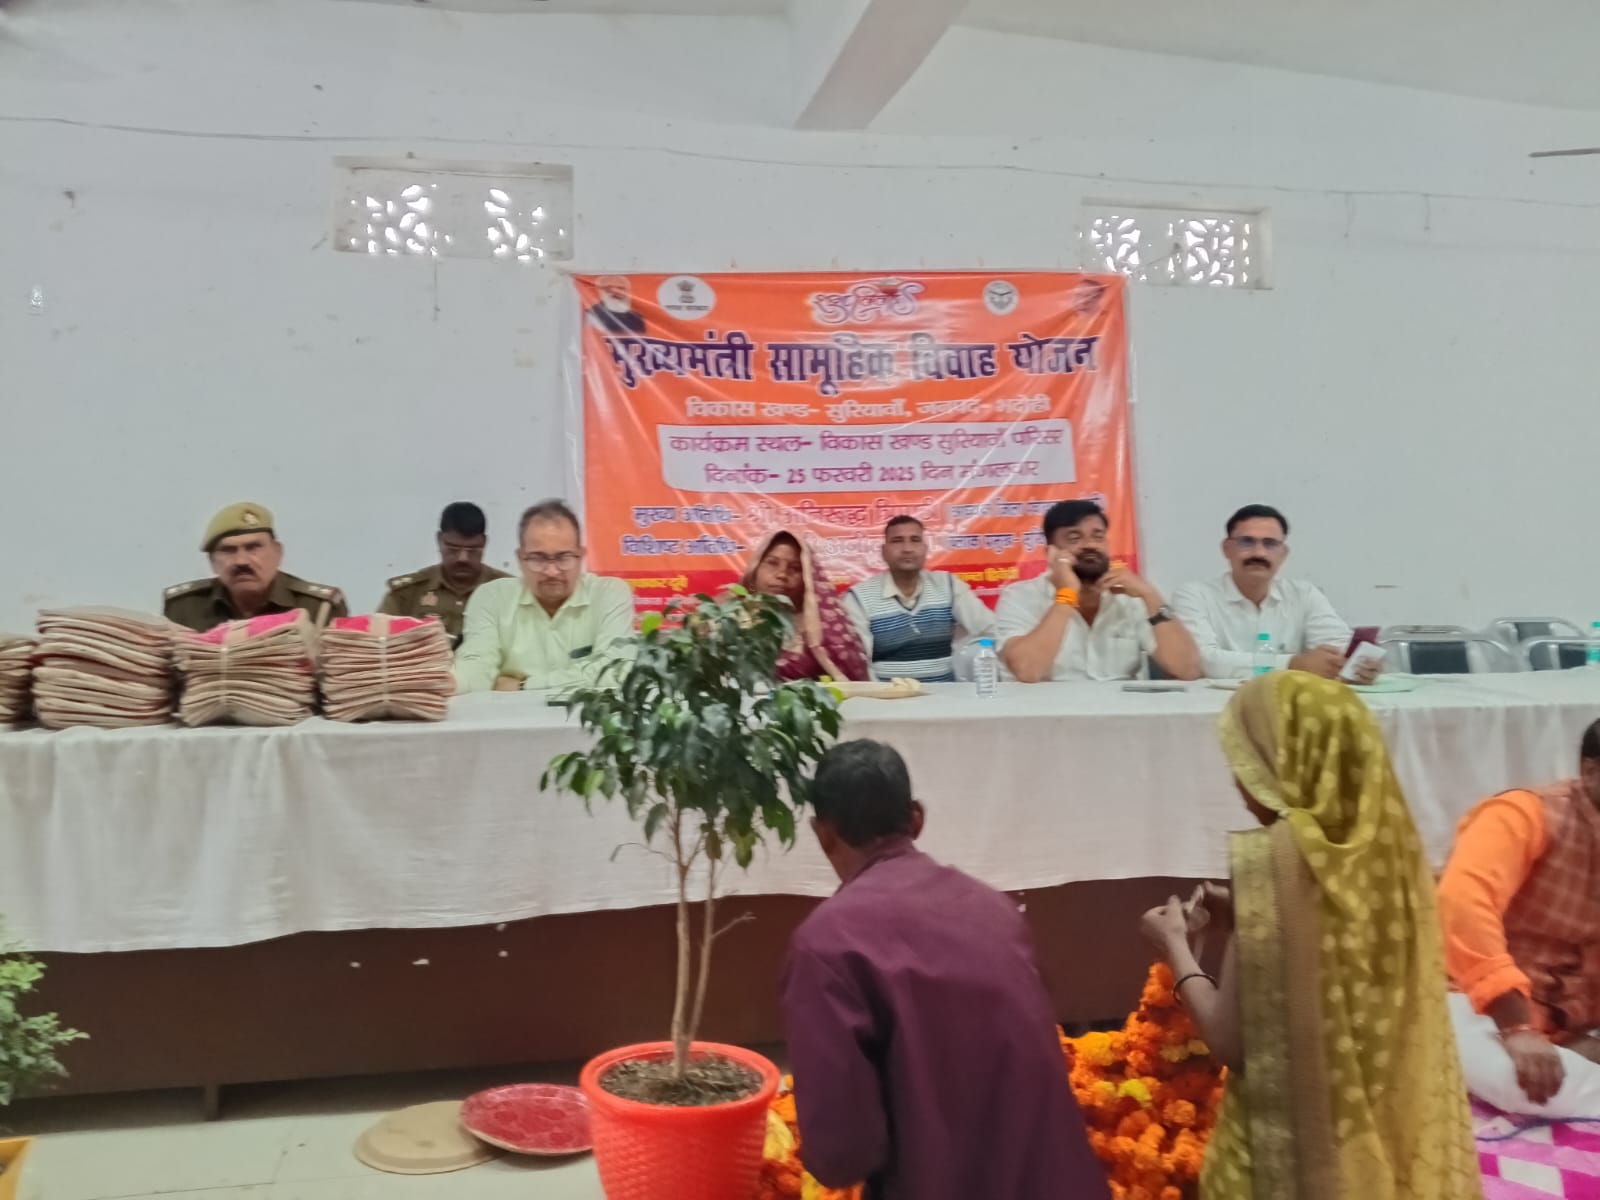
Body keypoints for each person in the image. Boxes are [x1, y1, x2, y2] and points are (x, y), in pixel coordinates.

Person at [1139, 672, 1481, 1199]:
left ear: (1290, 764)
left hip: (1297, 1154)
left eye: (1248, 761)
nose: (1238, 781)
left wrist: (1175, 947)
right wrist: (1250, 921)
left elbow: (1232, 1043)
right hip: (1382, 1136)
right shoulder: (1394, 852)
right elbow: (1336, 953)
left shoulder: (1276, 865)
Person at [781, 739, 1108, 1200]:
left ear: (823, 834)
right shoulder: (992, 909)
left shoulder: (827, 944)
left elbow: (842, 1154)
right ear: (916, 818)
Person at [1437, 720, 1600, 1116]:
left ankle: (1578, 1063)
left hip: (1578, 1013)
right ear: (1591, 771)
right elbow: (1462, 905)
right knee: (1518, 1083)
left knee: (1548, 1079)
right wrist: (1517, 1026)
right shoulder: (1523, 815)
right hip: (1483, 1004)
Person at [995, 499, 1200, 682]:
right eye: (1074, 538)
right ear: (1051, 552)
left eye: (1098, 536)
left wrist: (1150, 596)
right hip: (1049, 710)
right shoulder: (1020, 596)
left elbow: (1187, 670)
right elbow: (1027, 671)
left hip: (1122, 710)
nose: (1090, 545)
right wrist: (1067, 594)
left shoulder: (1131, 597)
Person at [1171, 504, 1375, 682]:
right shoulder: (1194, 596)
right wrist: (1294, 664)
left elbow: (1337, 647)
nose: (1259, 553)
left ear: (1283, 554)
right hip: (1216, 707)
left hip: (1290, 706)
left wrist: (1358, 664)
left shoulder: (1303, 594)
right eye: (1247, 542)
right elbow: (1201, 660)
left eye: (1270, 544)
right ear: (1227, 549)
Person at [453, 499, 634, 693]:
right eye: (538, 558)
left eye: (563, 557)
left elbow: (616, 673)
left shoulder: (609, 594)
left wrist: (523, 685)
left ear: (581, 556)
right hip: (513, 713)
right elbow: (476, 667)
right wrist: (446, 682)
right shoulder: (491, 598)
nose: (552, 571)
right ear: (520, 558)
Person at [843, 516, 996, 682]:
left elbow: (989, 628)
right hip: (888, 695)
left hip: (947, 694)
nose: (907, 549)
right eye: (897, 541)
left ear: (925, 549)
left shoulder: (948, 585)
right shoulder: (859, 598)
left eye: (915, 540)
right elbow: (858, 662)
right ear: (884, 551)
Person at [163, 502, 346, 632]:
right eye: (228, 550)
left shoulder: (319, 608)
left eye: (253, 548)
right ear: (212, 561)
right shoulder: (184, 608)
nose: (241, 561)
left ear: (278, 553)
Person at [743, 530, 869, 683]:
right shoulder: (730, 616)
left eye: (795, 568)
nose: (782, 574)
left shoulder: (825, 626)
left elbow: (852, 682)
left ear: (808, 578)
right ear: (755, 569)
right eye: (772, 563)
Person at [378, 502, 509, 648]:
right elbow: (377, 645)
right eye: (453, 549)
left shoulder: (509, 593)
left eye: (472, 550)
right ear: (439, 540)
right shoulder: (406, 594)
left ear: (484, 543)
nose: (463, 558)